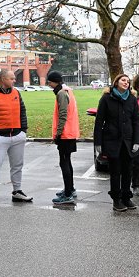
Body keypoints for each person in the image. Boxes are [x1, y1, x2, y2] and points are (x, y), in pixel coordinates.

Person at [0, 69, 33, 208]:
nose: (14, 81)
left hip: (17, 135)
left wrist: (23, 131)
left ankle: (17, 191)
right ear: (2, 79)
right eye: (11, 78)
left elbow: (22, 111)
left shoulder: (16, 92)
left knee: (17, 166)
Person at [93, 74, 139, 211]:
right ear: (116, 82)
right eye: (123, 80)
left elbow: (136, 121)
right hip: (112, 141)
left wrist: (136, 141)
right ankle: (116, 199)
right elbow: (99, 121)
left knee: (127, 171)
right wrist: (98, 142)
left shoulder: (131, 99)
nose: (126, 83)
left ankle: (126, 197)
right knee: (115, 171)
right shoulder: (106, 98)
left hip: (128, 141)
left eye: (128, 81)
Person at [46, 70, 80, 205]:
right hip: (70, 132)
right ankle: (70, 189)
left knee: (64, 162)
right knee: (67, 161)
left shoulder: (61, 93)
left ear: (55, 81)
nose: (49, 84)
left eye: (49, 82)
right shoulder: (67, 91)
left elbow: (63, 115)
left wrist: (58, 133)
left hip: (65, 134)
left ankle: (67, 195)